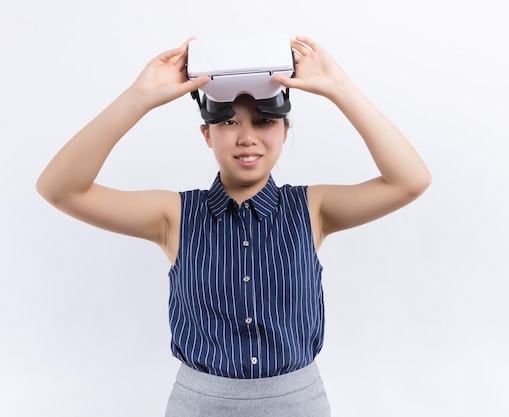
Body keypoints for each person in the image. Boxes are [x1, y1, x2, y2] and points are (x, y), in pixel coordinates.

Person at [36, 35, 431, 417]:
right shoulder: (174, 215)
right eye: (227, 123)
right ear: (206, 134)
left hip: (298, 406)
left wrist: (340, 88)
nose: (246, 138)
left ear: (284, 130)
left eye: (263, 121)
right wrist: (139, 98)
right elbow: (60, 189)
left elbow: (410, 180)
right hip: (199, 406)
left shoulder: (312, 209)